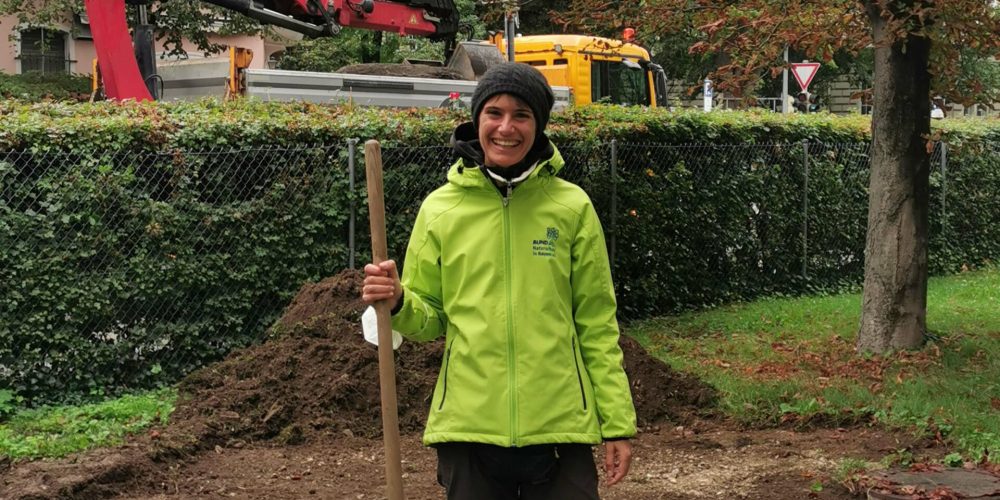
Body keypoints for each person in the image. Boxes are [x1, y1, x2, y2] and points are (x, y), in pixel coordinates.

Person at [361, 62, 636, 500]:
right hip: (469, 429)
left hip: (561, 426)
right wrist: (397, 301)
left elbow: (597, 323)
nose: (506, 128)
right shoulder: (440, 210)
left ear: (538, 125)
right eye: (494, 112)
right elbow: (428, 320)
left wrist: (617, 423)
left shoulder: (572, 208)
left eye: (521, 115)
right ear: (477, 120)